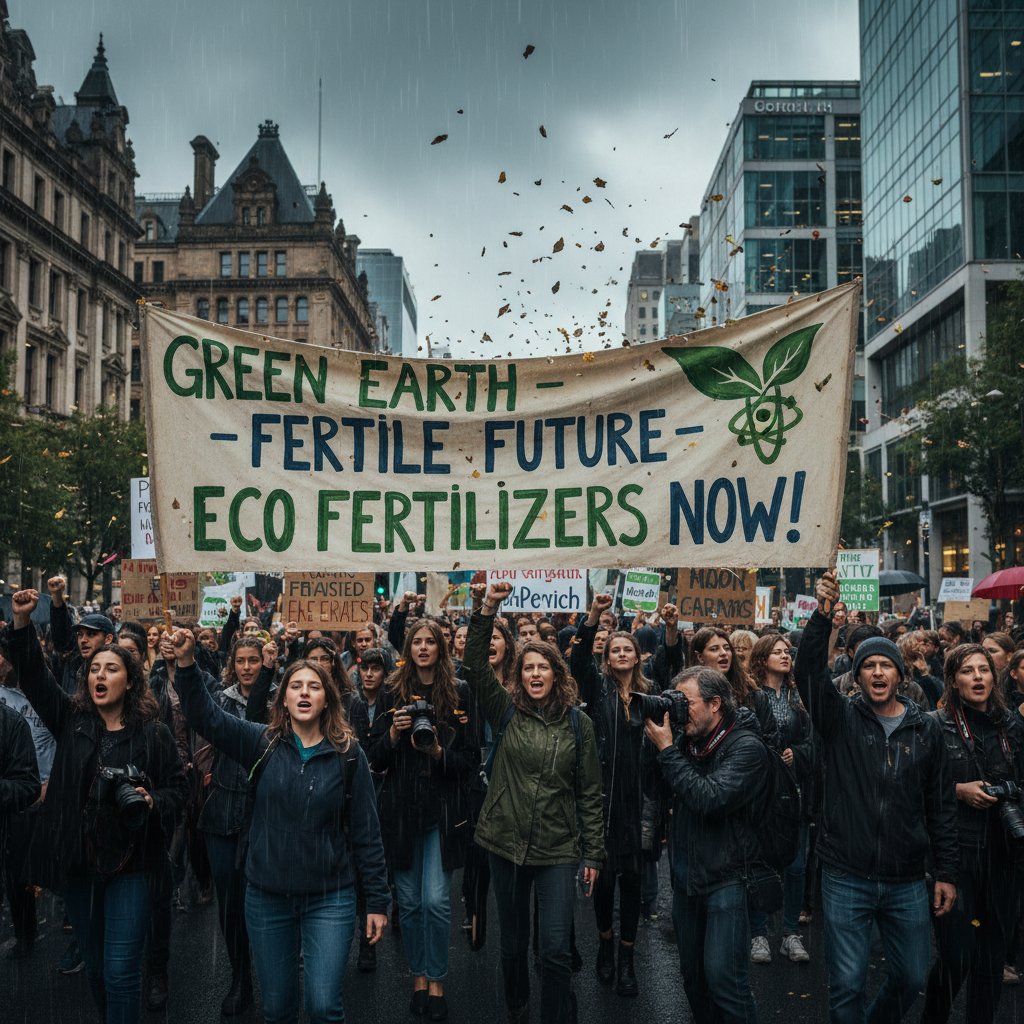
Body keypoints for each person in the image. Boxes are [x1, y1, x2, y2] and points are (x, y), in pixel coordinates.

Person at [172, 631, 389, 1024]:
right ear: (283, 698)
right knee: (277, 1007)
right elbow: (207, 718)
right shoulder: (262, 742)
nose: (304, 692)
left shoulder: (348, 755)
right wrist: (186, 664)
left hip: (330, 897)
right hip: (267, 897)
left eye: (314, 687)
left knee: (323, 1005)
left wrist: (376, 901)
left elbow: (367, 834)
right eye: (296, 686)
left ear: (327, 699)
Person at [8, 587, 187, 1024]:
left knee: (122, 972)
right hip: (80, 865)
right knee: (97, 970)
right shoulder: (72, 721)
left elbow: (179, 790)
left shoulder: (154, 734)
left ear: (130, 680)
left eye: (111, 668)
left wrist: (152, 799)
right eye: (94, 670)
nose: (100, 675)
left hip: (134, 865)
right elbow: (34, 675)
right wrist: (22, 622)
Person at [796, 570, 958, 1024]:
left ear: (900, 675)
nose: (878, 672)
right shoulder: (840, 720)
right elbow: (807, 673)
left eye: (886, 665)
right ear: (858, 675)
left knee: (910, 976)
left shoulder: (926, 729)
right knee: (847, 984)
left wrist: (946, 871)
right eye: (869, 666)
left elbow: (941, 806)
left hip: (907, 877)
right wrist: (822, 617)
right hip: (847, 873)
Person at [463, 581, 604, 1024]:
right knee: (512, 944)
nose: (536, 674)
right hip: (505, 843)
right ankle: (518, 1005)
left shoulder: (579, 725)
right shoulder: (504, 710)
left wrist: (594, 854)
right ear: (519, 675)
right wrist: (488, 607)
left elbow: (590, 793)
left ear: (557, 674)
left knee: (556, 950)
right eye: (528, 668)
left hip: (557, 848)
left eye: (544, 667)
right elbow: (473, 663)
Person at [366, 615, 479, 1021]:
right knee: (411, 904)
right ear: (408, 648)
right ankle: (418, 977)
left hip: (442, 812)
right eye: (417, 642)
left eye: (431, 641)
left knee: (435, 901)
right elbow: (374, 758)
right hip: (401, 812)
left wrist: (438, 753)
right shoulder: (391, 691)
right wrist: (394, 734)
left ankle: (437, 981)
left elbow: (471, 760)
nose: (424, 648)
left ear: (441, 648)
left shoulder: (460, 691)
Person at [643, 664, 770, 1023]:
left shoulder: (746, 746)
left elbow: (709, 799)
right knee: (694, 980)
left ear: (715, 704)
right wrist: (652, 741)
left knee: (725, 980)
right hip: (686, 878)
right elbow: (652, 787)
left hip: (728, 877)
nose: (679, 710)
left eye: (685, 703)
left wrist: (667, 750)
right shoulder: (685, 741)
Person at [922, 643, 1024, 1023]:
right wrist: (958, 790)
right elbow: (914, 788)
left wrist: (1010, 791)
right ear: (952, 680)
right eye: (967, 671)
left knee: (991, 960)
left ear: (994, 678)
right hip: (956, 855)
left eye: (984, 670)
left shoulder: (1011, 725)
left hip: (1003, 856)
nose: (977, 677)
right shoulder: (935, 725)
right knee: (957, 956)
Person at [570, 592, 650, 997]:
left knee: (633, 882)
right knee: (602, 882)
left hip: (638, 802)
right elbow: (576, 662)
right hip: (602, 799)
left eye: (627, 649)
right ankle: (605, 941)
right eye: (614, 649)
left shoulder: (650, 694)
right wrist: (594, 616)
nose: (620, 653)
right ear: (607, 657)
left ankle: (627, 957)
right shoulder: (597, 687)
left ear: (637, 657)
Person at [195, 634, 276, 1016]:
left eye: (253, 660)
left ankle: (274, 973)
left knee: (264, 897)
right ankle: (239, 976)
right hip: (224, 806)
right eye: (240, 660)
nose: (246, 667)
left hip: (265, 809)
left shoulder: (279, 697)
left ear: (264, 661)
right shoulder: (220, 699)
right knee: (229, 902)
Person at [746, 634, 814, 965]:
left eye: (788, 651)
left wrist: (796, 754)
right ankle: (759, 932)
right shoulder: (751, 695)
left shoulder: (799, 698)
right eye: (777, 652)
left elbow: (813, 742)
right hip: (760, 792)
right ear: (762, 659)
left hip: (793, 792)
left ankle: (790, 933)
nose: (785, 656)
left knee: (796, 865)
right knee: (760, 860)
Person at [0, 679, 42, 957]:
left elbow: (28, 786)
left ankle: (25, 936)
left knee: (19, 884)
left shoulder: (11, 723)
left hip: (8, 833)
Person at [47, 575, 115, 695]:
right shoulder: (74, 664)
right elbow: (61, 634)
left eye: (91, 634)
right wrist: (57, 596)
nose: (83, 640)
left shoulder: (119, 668)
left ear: (108, 638)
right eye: (80, 634)